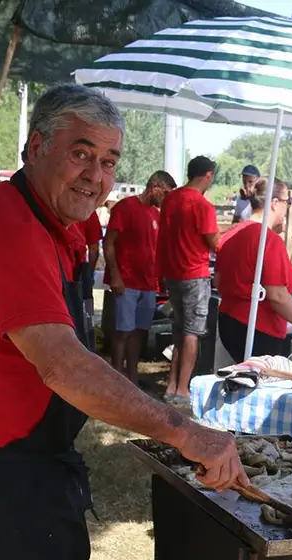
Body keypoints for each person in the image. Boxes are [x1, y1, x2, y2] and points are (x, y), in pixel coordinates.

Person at [0, 83, 246, 560]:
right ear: (35, 146)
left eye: (108, 162)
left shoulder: (54, 223)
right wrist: (184, 430)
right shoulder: (9, 231)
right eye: (80, 153)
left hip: (34, 467)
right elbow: (66, 367)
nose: (95, 175)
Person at [215, 178, 292, 361]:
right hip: (256, 328)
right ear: (274, 203)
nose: (287, 207)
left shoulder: (231, 234)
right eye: (287, 201)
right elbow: (277, 296)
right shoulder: (268, 239)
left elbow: (217, 280)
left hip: (228, 322)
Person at [103, 171, 175, 383]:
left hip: (148, 283)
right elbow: (109, 243)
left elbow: (158, 248)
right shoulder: (125, 208)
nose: (167, 200)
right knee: (122, 331)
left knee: (139, 331)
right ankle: (116, 374)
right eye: (166, 194)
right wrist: (115, 275)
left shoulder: (156, 214)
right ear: (154, 187)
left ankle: (132, 373)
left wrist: (161, 277)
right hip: (126, 281)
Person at [158, 156, 218, 405]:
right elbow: (213, 242)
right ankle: (183, 389)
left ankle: (172, 385)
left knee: (179, 329)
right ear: (208, 175)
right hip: (194, 274)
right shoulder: (203, 206)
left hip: (172, 273)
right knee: (192, 332)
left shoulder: (171, 198)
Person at [73, 209, 105, 351]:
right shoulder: (87, 210)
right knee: (83, 320)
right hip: (77, 272)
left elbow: (94, 249)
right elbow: (94, 249)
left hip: (75, 272)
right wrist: (88, 275)